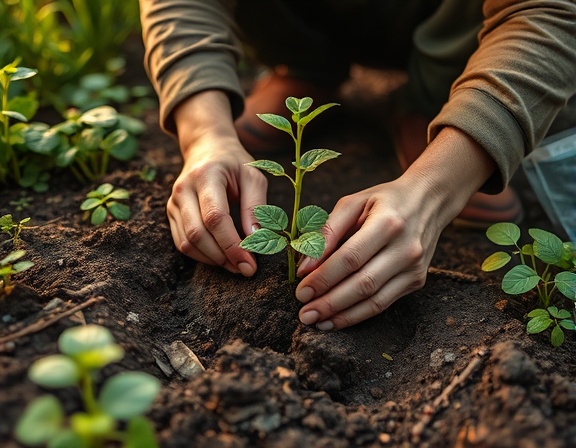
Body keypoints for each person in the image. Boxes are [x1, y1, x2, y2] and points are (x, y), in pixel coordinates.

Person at [139, 0, 576, 331]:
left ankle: (445, 101)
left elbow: (549, 11)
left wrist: (434, 188)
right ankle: (307, 61)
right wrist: (205, 134)